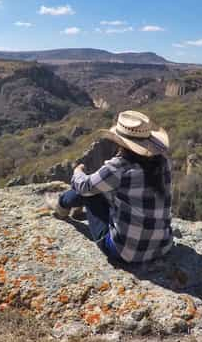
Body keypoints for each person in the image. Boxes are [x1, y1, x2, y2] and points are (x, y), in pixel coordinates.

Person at [45, 110, 173, 263]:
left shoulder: (118, 167)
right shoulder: (164, 163)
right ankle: (70, 207)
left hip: (124, 252)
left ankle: (61, 206)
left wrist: (77, 172)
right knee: (100, 188)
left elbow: (84, 187)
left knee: (90, 191)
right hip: (164, 245)